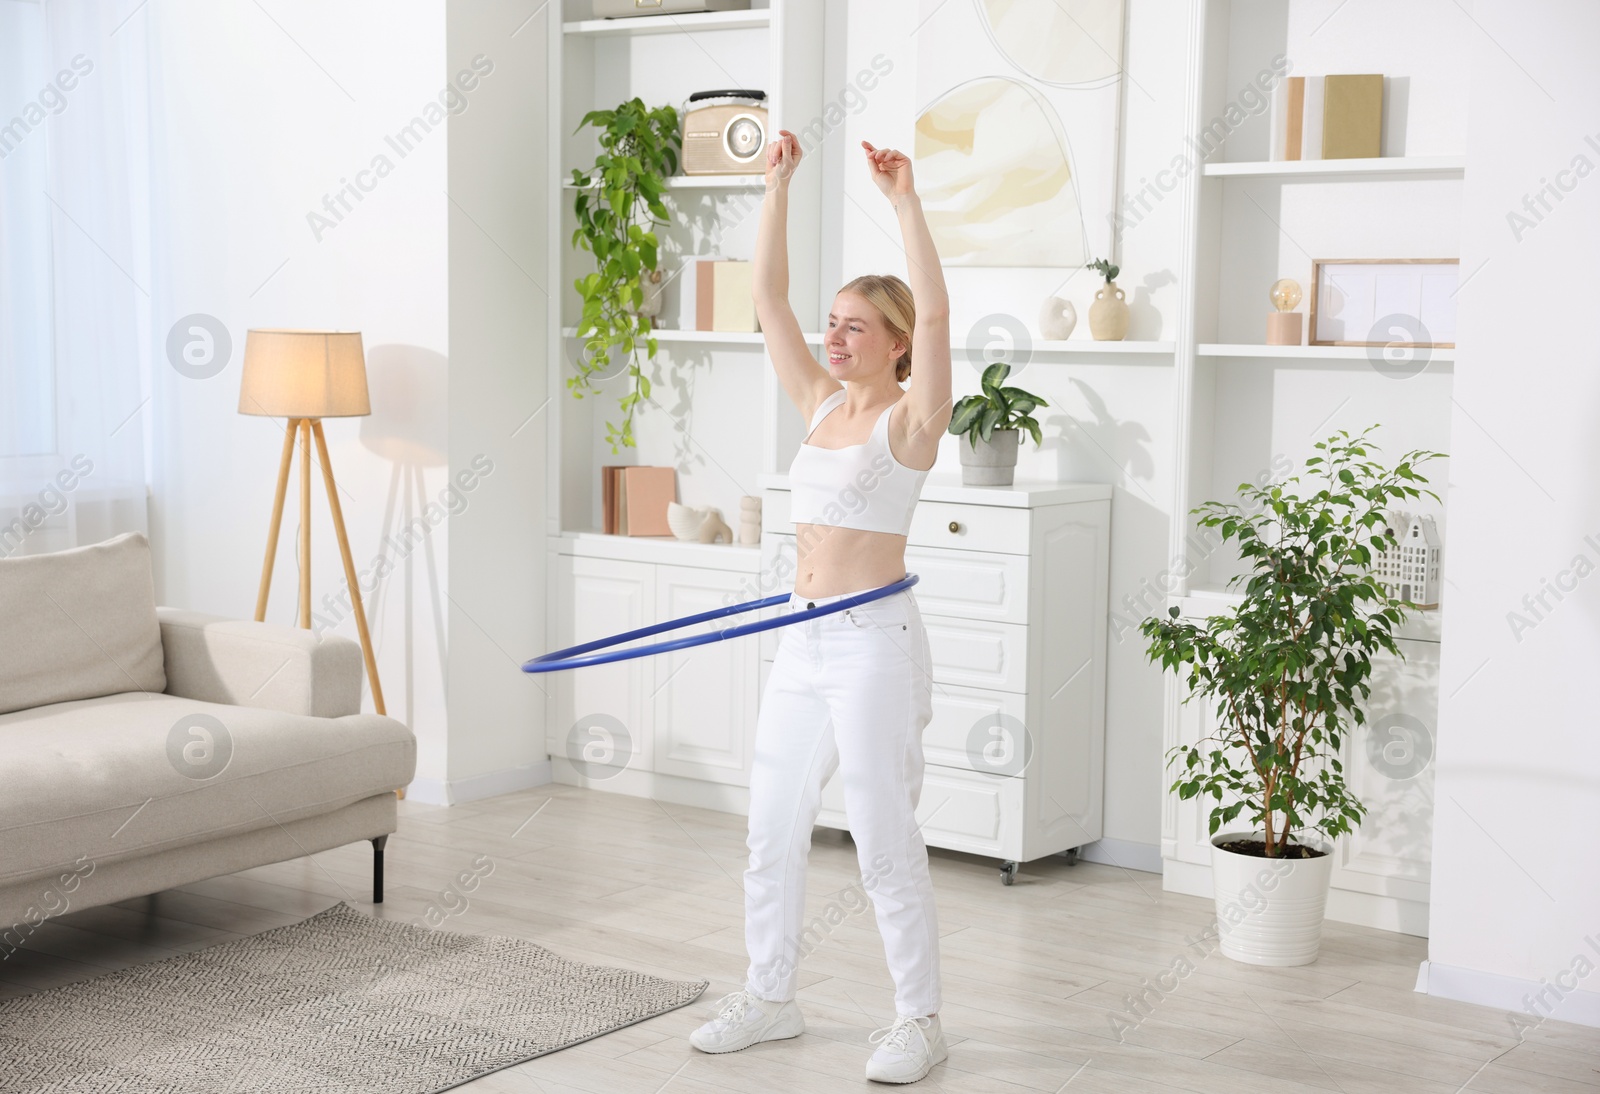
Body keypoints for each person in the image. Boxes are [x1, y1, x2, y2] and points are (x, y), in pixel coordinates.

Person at [686, 129, 953, 1085]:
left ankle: (919, 1020)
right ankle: (770, 997)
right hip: (801, 643)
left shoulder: (909, 424)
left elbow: (940, 322)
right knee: (770, 826)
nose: (832, 337)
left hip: (874, 641)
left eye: (853, 327)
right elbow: (764, 302)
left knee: (882, 835)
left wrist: (905, 204)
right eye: (831, 322)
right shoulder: (817, 407)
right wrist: (778, 186)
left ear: (894, 346)